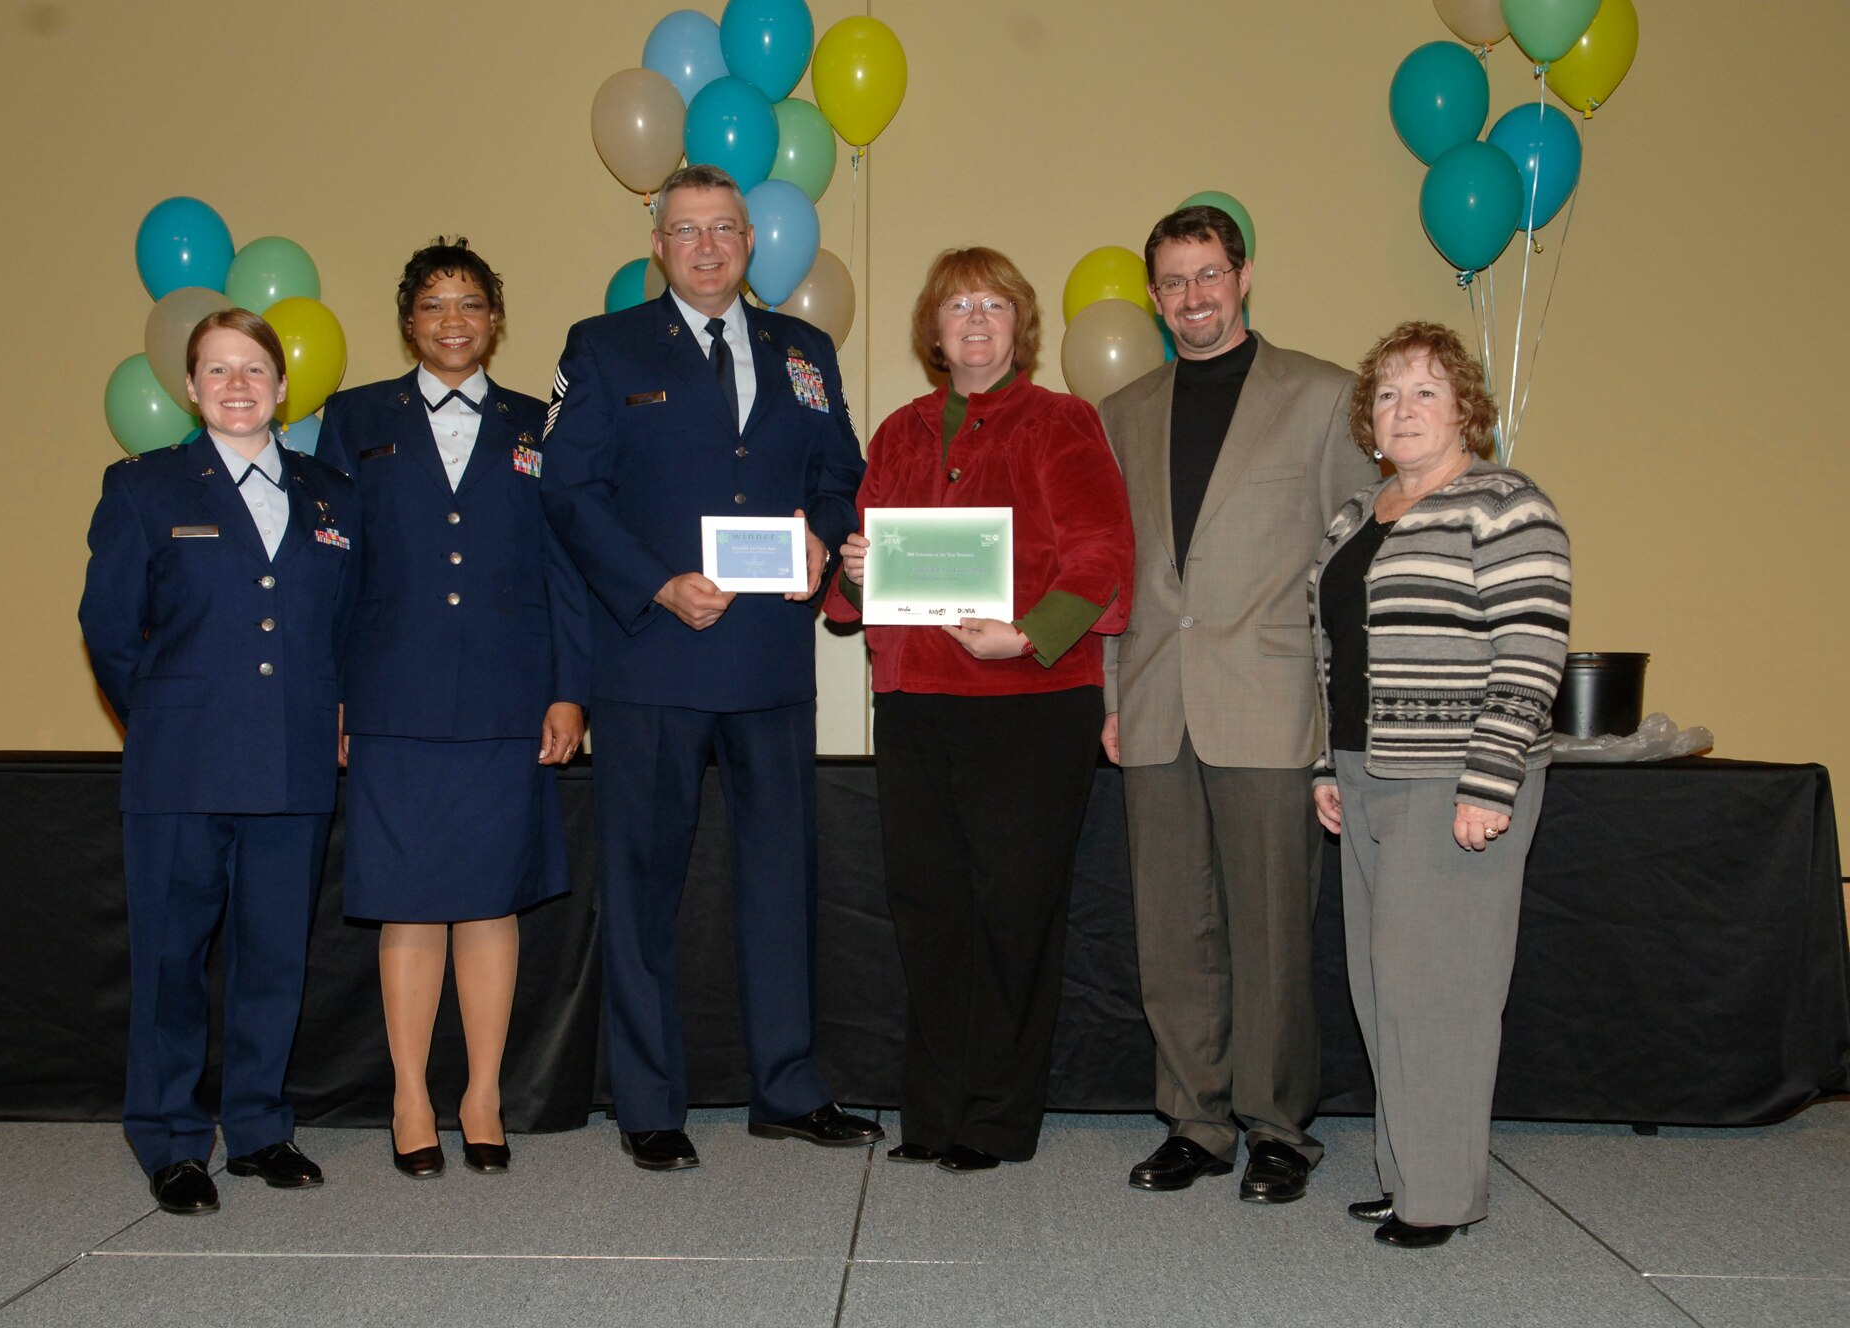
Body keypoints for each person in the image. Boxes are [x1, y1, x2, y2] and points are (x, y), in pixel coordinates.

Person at [538, 164, 876, 1171]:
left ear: (749, 240)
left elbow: (838, 476)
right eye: (685, 231)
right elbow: (568, 491)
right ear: (657, 244)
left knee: (781, 880)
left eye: (723, 228)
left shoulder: (800, 349)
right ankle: (647, 1100)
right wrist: (654, 584)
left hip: (769, 658)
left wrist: (822, 541)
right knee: (640, 889)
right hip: (649, 656)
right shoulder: (601, 350)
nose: (707, 246)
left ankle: (786, 1085)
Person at [823, 248, 1133, 1172]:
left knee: (1013, 913)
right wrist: (853, 574)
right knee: (929, 912)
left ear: (1018, 324)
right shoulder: (900, 432)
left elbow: (1102, 554)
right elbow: (863, 571)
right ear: (934, 327)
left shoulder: (1062, 422)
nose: (975, 318)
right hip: (918, 702)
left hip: (1031, 704)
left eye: (994, 303)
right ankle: (934, 1112)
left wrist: (1031, 633)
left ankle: (997, 1119)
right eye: (957, 304)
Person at [1099, 204, 1376, 1203]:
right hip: (1152, 701)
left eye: (1207, 275)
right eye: (1172, 282)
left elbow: (1351, 574)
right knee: (1171, 930)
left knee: (1268, 932)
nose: (1191, 298)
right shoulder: (1121, 412)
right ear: (1153, 294)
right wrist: (1108, 688)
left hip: (1271, 701)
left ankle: (1274, 1126)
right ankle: (1194, 1116)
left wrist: (1342, 715)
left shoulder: (1322, 397)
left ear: (1244, 275)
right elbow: (1112, 573)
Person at [316, 239, 589, 1180]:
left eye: (470, 303)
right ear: (408, 321)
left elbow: (566, 566)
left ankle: (480, 1095)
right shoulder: (353, 420)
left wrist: (569, 687)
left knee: (489, 900)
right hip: (391, 694)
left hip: (511, 697)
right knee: (409, 906)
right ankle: (407, 1096)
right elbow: (333, 566)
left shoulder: (536, 423)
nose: (453, 320)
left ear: (495, 319)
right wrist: (335, 694)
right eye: (434, 305)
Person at [79, 309, 359, 1215]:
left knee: (274, 957)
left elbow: (347, 626)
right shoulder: (144, 490)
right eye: (216, 371)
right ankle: (169, 1140)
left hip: (295, 761)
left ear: (283, 388)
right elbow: (109, 630)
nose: (237, 385)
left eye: (253, 370)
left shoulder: (332, 494)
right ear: (189, 389)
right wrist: (165, 717)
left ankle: (261, 1129)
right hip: (182, 766)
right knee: (171, 959)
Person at [1310, 321, 1570, 1247]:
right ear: (1369, 421)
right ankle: (1409, 1173)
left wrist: (1489, 781)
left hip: (1453, 777)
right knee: (1384, 991)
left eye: (1425, 390)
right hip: (1363, 772)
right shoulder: (1355, 516)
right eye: (1386, 394)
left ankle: (1442, 1196)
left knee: (1442, 995)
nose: (1404, 408)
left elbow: (1533, 652)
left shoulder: (1505, 504)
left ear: (1465, 406)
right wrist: (1323, 767)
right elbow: (1333, 656)